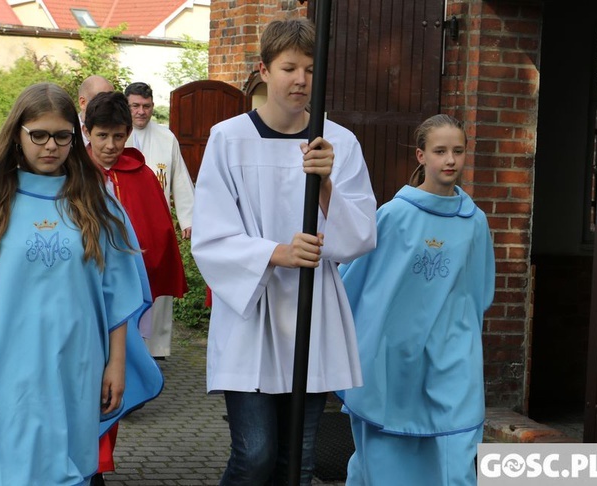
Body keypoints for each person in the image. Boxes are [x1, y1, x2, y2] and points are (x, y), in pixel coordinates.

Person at [0, 82, 163, 485]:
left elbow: (118, 292)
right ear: (17, 135)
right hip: (3, 366)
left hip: (77, 364)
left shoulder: (98, 206)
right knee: (2, 469)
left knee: (65, 468)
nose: (50, 146)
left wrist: (117, 364)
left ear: (76, 138)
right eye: (38, 134)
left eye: (62, 135)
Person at [191, 18, 377, 485]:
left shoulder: (340, 143)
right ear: (264, 71)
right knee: (254, 456)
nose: (301, 80)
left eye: (312, 69)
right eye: (290, 67)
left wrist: (327, 185)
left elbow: (360, 238)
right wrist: (276, 252)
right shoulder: (228, 138)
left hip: (312, 316)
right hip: (251, 316)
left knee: (298, 463)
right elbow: (210, 235)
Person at [338, 114, 495, 486]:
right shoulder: (394, 215)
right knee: (384, 450)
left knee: (456, 447)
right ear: (421, 155)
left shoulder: (475, 222)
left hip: (453, 352)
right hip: (393, 352)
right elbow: (355, 281)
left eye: (458, 151)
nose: (450, 160)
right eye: (440, 151)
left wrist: (460, 334)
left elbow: (479, 290)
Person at [83, 90, 187, 485]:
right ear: (86, 132)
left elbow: (159, 228)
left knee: (110, 385)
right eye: (102, 136)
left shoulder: (141, 174)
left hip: (120, 303)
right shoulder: (71, 175)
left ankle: (98, 466)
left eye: (119, 136)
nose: (110, 146)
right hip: (79, 301)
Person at [124, 81, 195, 358]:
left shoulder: (167, 138)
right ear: (126, 105)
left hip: (159, 228)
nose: (141, 112)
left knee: (160, 288)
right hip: (127, 226)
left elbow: (180, 178)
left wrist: (188, 218)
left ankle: (157, 347)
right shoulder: (117, 136)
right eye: (135, 106)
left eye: (146, 106)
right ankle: (129, 343)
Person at [78, 75, 115, 143]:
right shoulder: (67, 132)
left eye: (111, 101)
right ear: (82, 102)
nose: (107, 107)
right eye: (100, 101)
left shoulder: (120, 131)